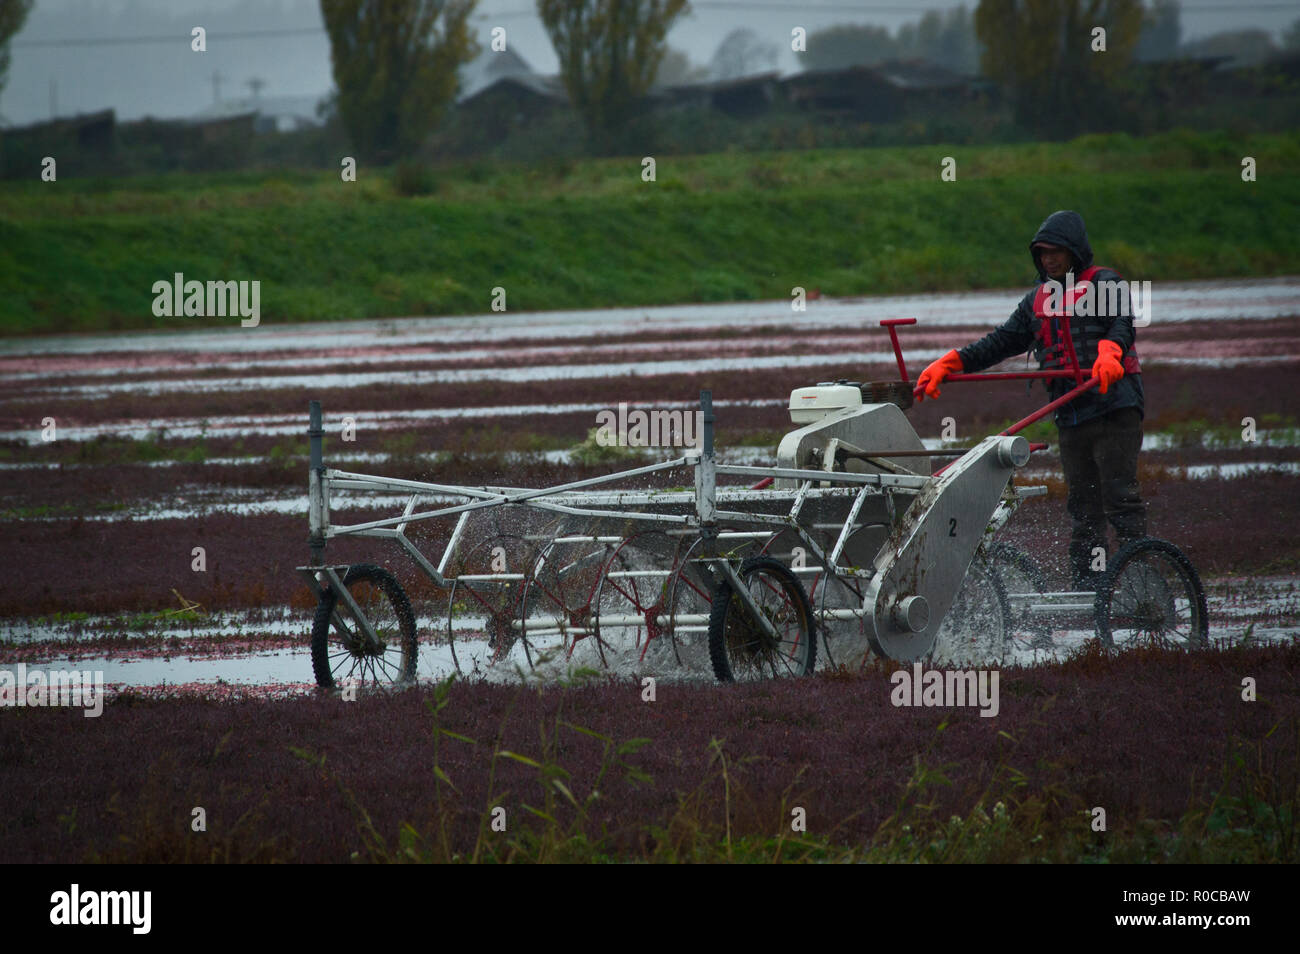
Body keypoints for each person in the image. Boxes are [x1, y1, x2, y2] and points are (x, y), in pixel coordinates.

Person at [916, 210, 1145, 590]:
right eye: (1042, 253)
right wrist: (952, 362)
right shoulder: (1036, 300)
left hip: (1114, 407)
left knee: (1120, 498)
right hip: (1071, 414)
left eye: (1056, 252)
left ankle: (1141, 580)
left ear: (1074, 251)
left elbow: (1122, 322)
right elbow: (1000, 343)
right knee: (1084, 510)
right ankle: (1091, 590)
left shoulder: (1105, 282)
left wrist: (1110, 351)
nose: (1049, 260)